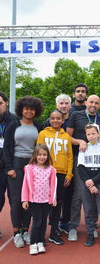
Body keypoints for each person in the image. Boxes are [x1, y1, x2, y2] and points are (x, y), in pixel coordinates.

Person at [3, 96, 44, 248]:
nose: (28, 111)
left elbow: (40, 148)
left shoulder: (38, 127)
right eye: (26, 108)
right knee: (15, 200)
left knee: (30, 199)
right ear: (21, 109)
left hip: (32, 166)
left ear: (36, 111)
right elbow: (7, 148)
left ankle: (26, 230)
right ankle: (16, 233)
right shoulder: (13, 126)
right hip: (16, 164)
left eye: (32, 109)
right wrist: (10, 168)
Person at [66, 95, 100, 241]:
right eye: (91, 102)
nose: (93, 105)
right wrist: (80, 141)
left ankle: (92, 225)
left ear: (99, 104)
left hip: (96, 162)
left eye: (96, 103)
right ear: (86, 103)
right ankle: (73, 227)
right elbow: (67, 136)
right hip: (81, 159)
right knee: (79, 194)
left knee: (94, 194)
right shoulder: (75, 115)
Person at [37, 110, 73, 245]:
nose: (55, 121)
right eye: (53, 118)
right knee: (44, 204)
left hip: (62, 173)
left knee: (57, 203)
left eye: (58, 118)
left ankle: (53, 233)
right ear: (49, 120)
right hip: (45, 173)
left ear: (63, 120)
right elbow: (38, 153)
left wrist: (69, 174)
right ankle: (40, 234)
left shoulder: (66, 137)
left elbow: (69, 156)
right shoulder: (43, 134)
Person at [21, 144, 57, 255]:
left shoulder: (51, 169)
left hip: (46, 201)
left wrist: (53, 198)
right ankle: (33, 243)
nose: (42, 157)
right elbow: (25, 185)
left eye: (44, 155)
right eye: (40, 154)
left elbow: (53, 185)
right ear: (35, 155)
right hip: (34, 200)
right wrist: (25, 199)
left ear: (48, 156)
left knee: (43, 222)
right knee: (37, 222)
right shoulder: (30, 168)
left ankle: (41, 241)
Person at [0, 92, 17, 237]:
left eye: (0, 103)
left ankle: (18, 230)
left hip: (12, 166)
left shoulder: (15, 120)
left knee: (15, 200)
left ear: (6, 103)